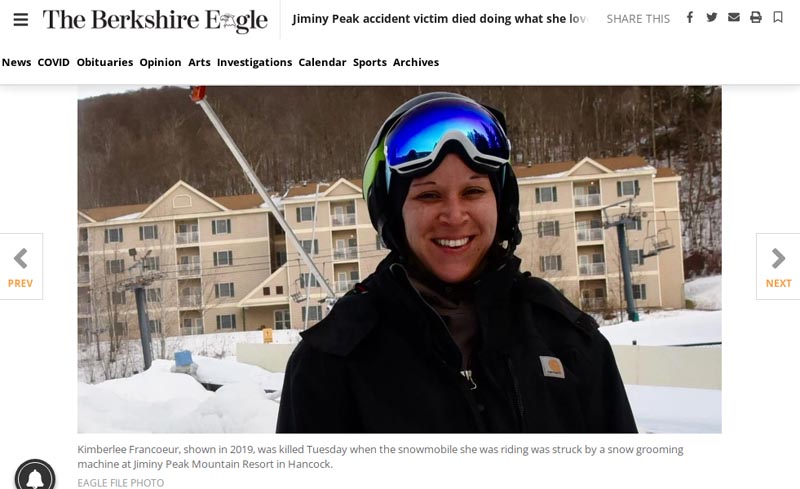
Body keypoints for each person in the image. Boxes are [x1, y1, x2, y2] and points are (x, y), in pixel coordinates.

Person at [276, 92, 637, 433]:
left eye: (474, 191)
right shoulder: (331, 361)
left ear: (503, 203)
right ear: (392, 213)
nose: (454, 215)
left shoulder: (567, 340)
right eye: (429, 195)